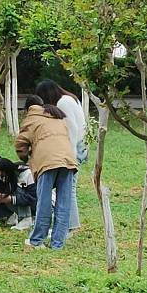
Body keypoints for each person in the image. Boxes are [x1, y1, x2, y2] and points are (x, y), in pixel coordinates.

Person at [15, 95, 78, 250]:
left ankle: (37, 240)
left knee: (44, 202)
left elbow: (20, 144)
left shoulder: (31, 118)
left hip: (47, 162)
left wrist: (26, 158)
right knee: (64, 204)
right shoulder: (56, 115)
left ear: (28, 108)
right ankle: (58, 243)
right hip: (68, 160)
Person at [35, 80, 86, 230]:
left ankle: (70, 226)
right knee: (68, 188)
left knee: (68, 189)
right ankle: (70, 225)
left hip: (74, 149)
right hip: (79, 146)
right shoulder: (70, 98)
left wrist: (69, 156)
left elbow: (72, 130)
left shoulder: (63, 103)